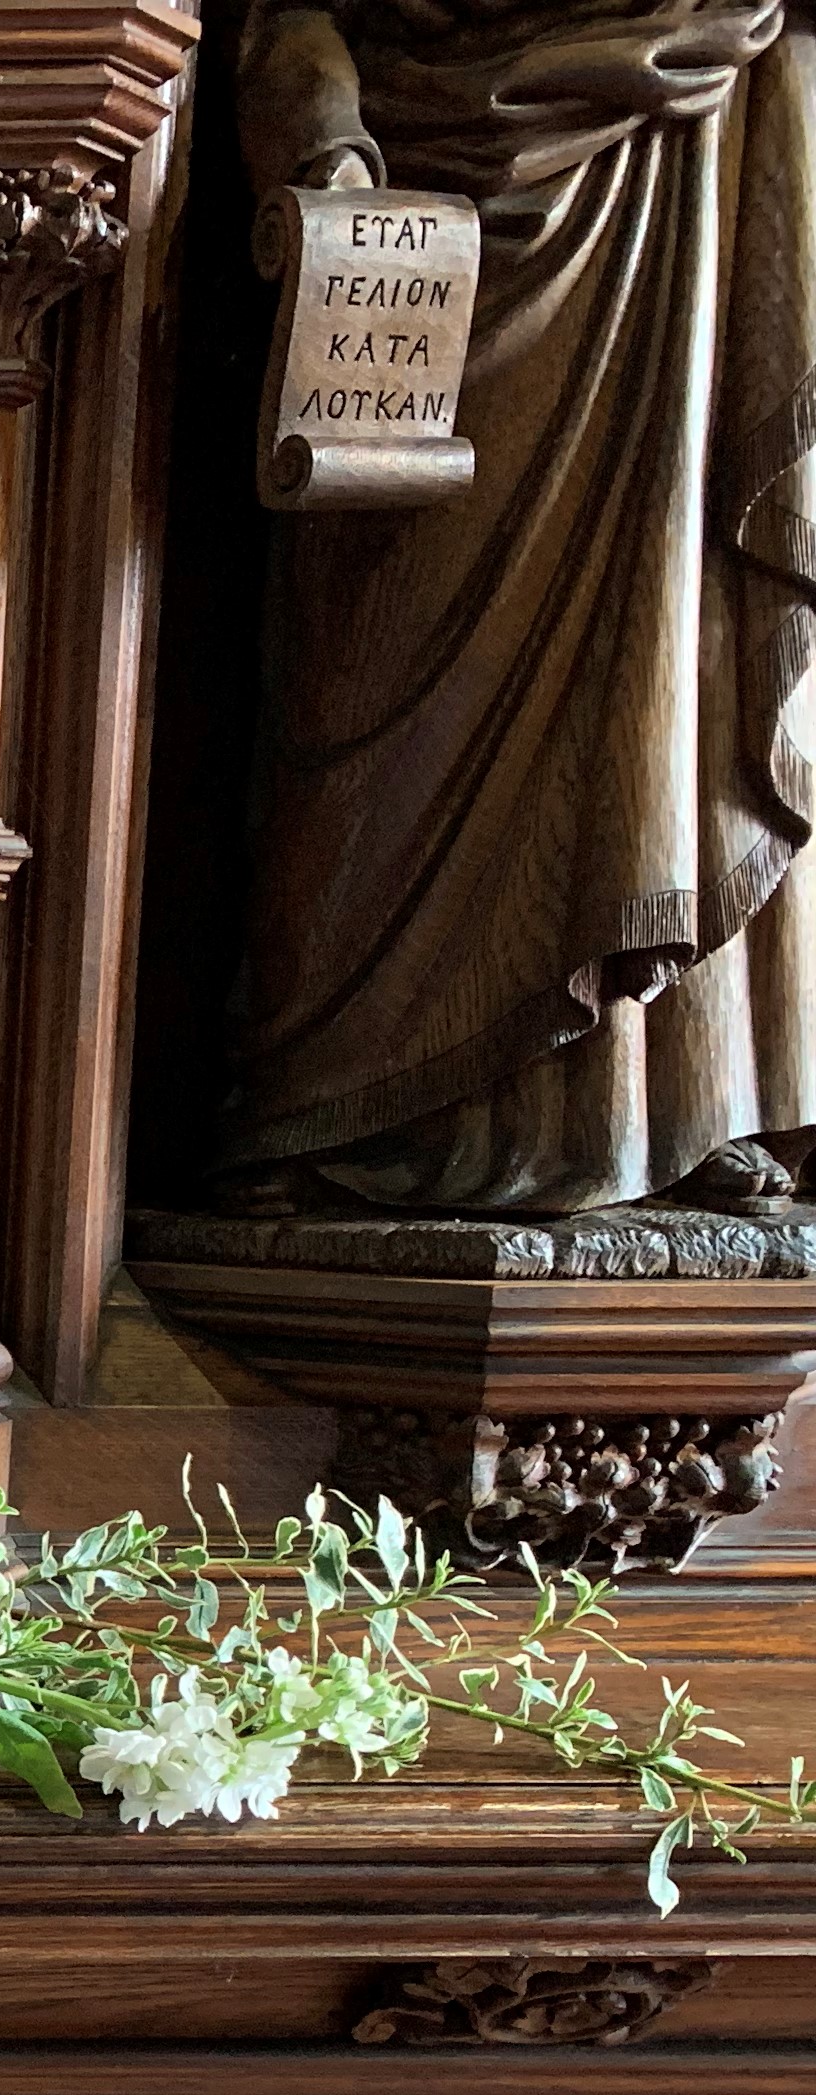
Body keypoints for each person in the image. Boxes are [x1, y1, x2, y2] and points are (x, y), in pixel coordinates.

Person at [226, 0, 816, 1215]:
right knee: (392, 667)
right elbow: (289, 16)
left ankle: (673, 1101)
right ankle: (360, 1100)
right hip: (425, 209)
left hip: (691, 167)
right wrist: (327, 147)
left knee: (675, 640)